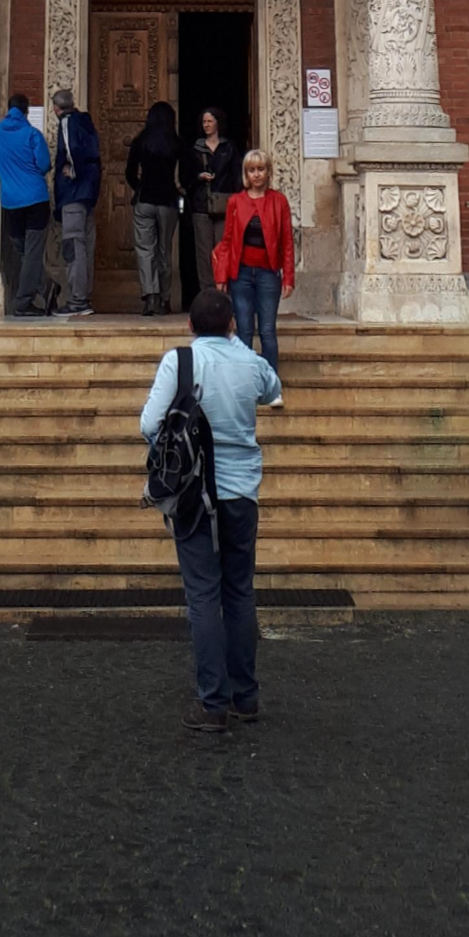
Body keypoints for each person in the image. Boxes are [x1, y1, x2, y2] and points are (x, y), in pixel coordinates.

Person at [140, 286, 282, 730]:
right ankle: (246, 696)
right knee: (239, 592)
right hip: (242, 494)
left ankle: (212, 702)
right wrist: (238, 342)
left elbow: (148, 425)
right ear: (233, 325)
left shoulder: (180, 361)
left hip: (194, 496)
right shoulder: (250, 363)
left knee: (203, 596)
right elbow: (272, 388)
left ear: (189, 326)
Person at [212, 147, 295, 374]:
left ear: (269, 172)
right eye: (251, 170)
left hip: (268, 273)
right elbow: (227, 241)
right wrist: (221, 275)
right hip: (242, 273)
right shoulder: (236, 202)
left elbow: (287, 241)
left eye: (260, 169)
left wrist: (288, 277)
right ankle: (244, 381)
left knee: (267, 330)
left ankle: (271, 384)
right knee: (244, 330)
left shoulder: (279, 201)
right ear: (245, 174)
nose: (256, 174)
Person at [0, 90, 54, 318]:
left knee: (22, 251)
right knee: (33, 253)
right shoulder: (31, 134)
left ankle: (48, 288)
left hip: (9, 201)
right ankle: (25, 301)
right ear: (26, 111)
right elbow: (45, 164)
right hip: (35, 199)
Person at [125, 99, 183, 315]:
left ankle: (150, 296)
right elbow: (186, 172)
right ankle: (165, 299)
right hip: (168, 202)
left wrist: (139, 187)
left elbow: (130, 172)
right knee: (164, 251)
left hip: (145, 200)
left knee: (145, 250)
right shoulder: (176, 142)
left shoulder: (141, 141)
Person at [50, 87, 103, 319]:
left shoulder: (67, 122)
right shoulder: (86, 121)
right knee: (84, 245)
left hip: (73, 194)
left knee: (73, 246)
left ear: (56, 108)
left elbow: (73, 149)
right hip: (87, 194)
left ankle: (77, 300)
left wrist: (74, 171)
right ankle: (84, 297)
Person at [184, 108, 242, 303]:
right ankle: (207, 296)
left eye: (210, 121)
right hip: (201, 205)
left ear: (218, 123)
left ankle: (224, 295)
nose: (206, 125)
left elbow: (237, 177)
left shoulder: (229, 148)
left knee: (223, 250)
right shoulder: (195, 149)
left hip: (224, 206)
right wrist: (198, 177)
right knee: (203, 253)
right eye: (204, 122)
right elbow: (185, 177)